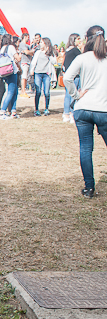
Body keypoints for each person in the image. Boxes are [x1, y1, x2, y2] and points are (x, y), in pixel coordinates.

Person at [64, 25, 107, 199]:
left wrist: (76, 95)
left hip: (83, 108)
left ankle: (89, 187)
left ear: (87, 39)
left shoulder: (82, 58)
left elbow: (67, 77)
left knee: (86, 149)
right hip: (103, 108)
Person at [30, 37, 57, 116]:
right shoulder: (38, 52)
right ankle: (36, 109)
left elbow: (54, 62)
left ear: (46, 44)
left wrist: (48, 54)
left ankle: (46, 108)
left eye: (42, 42)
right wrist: (32, 70)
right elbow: (33, 62)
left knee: (47, 92)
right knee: (38, 91)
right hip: (38, 73)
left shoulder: (50, 53)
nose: (40, 44)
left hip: (46, 74)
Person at [0, 34, 21, 120]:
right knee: (11, 92)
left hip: (4, 72)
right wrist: (20, 54)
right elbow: (18, 58)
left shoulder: (2, 48)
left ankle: (13, 111)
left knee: (14, 91)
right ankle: (2, 111)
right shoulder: (11, 47)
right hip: (11, 71)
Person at [63, 33, 82, 123]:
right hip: (75, 75)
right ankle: (72, 114)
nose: (80, 40)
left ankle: (66, 114)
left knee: (67, 95)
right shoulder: (75, 51)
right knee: (74, 95)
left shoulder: (68, 51)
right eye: (78, 39)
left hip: (67, 75)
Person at [18, 33, 33, 98]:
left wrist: (29, 51)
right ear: (25, 37)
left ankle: (23, 91)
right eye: (28, 37)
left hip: (27, 62)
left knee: (26, 77)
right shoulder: (22, 44)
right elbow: (27, 52)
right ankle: (23, 91)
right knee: (24, 77)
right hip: (24, 62)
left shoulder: (26, 45)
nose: (28, 39)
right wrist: (31, 52)